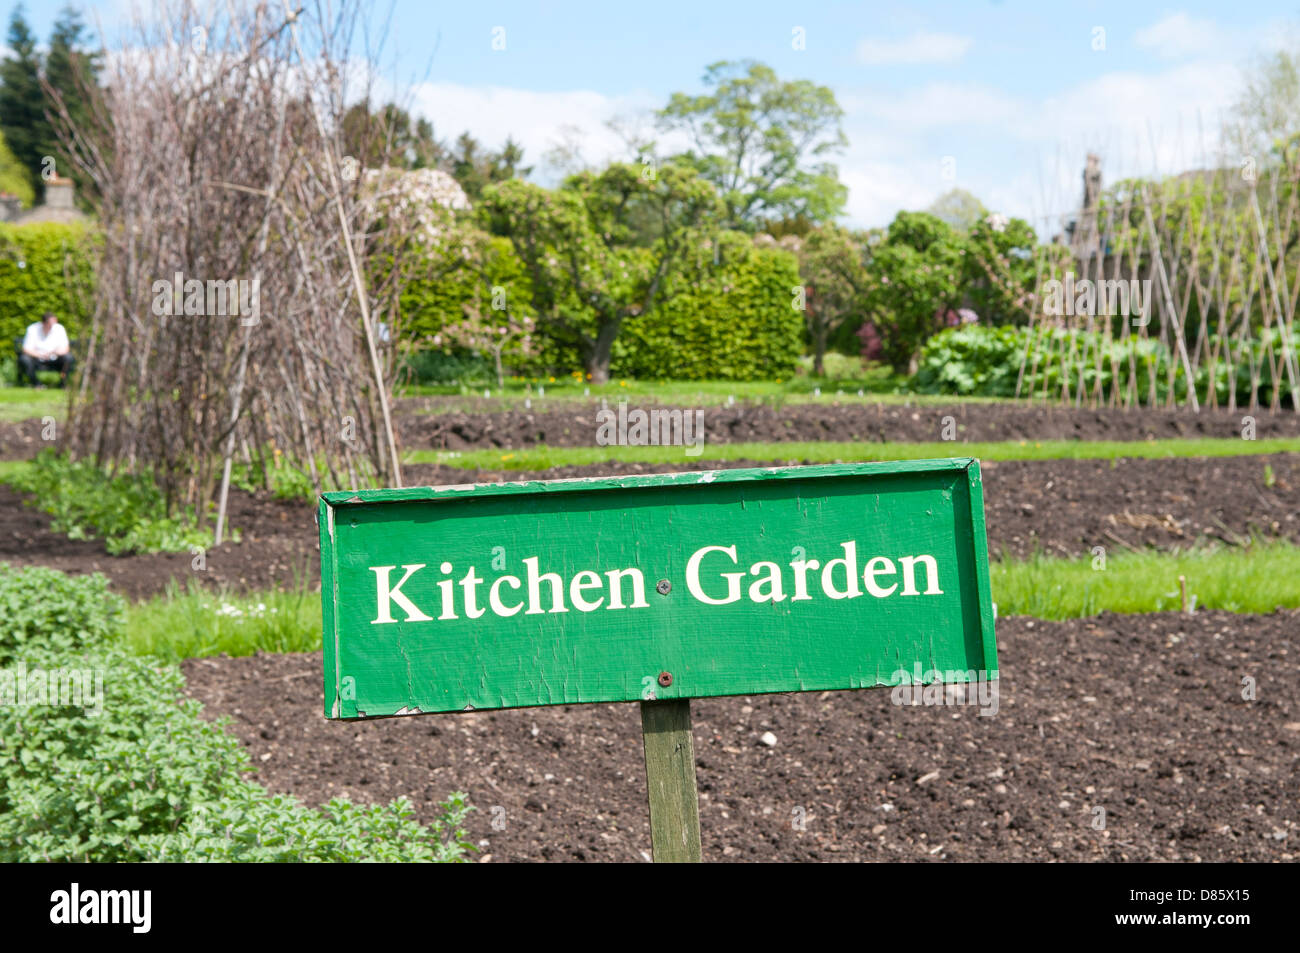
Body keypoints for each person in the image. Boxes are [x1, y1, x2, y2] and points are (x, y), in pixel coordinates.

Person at [19, 312, 74, 388]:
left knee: (68, 358)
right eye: (50, 323)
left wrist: (54, 352)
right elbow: (26, 349)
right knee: (24, 359)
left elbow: (66, 348)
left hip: (55, 358)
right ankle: (37, 384)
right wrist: (40, 355)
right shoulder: (32, 329)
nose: (52, 326)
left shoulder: (59, 328)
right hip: (37, 359)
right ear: (43, 323)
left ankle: (63, 384)